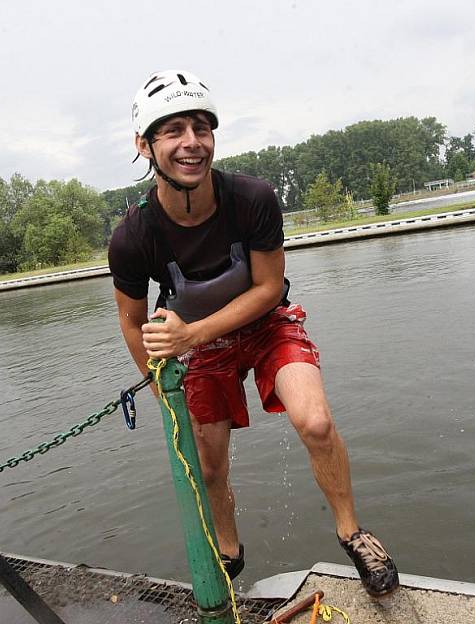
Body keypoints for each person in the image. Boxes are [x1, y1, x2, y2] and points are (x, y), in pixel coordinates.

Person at [107, 69, 399, 598]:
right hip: (200, 349)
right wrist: (162, 393)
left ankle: (354, 533)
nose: (191, 143)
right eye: (172, 130)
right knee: (210, 462)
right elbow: (131, 323)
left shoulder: (253, 199)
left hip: (265, 326)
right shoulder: (133, 237)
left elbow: (267, 289)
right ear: (144, 145)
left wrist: (191, 334)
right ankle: (229, 550)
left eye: (201, 127)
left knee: (315, 421)